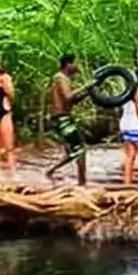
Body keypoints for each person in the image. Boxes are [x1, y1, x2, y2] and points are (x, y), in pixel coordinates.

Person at [46, 54, 88, 185]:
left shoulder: (62, 78)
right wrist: (86, 86)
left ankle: (50, 172)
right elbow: (69, 97)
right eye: (75, 63)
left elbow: (71, 101)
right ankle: (82, 184)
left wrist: (87, 93)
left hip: (62, 117)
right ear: (68, 64)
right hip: (61, 118)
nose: (77, 67)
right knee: (80, 151)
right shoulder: (61, 78)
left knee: (73, 151)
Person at [117, 67, 138, 184]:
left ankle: (127, 183)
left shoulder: (126, 91)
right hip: (137, 127)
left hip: (126, 126)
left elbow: (120, 111)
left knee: (129, 156)